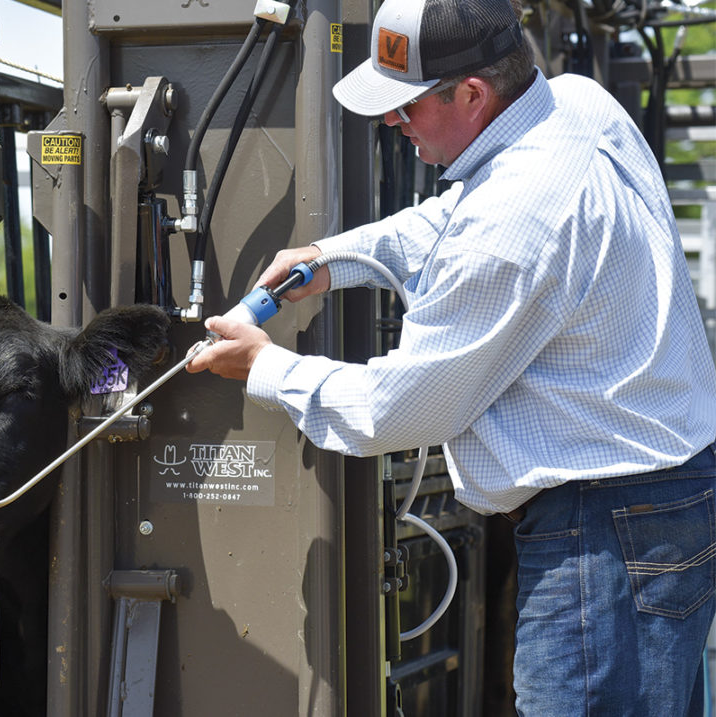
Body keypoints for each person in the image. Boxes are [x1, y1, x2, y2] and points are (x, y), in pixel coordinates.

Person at [186, 0, 716, 713]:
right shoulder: (573, 106)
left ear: (472, 93)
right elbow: (455, 214)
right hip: (665, 497)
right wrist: (332, 258)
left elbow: (394, 410)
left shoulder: (516, 221)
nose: (389, 124)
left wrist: (265, 367)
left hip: (602, 530)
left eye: (404, 108)